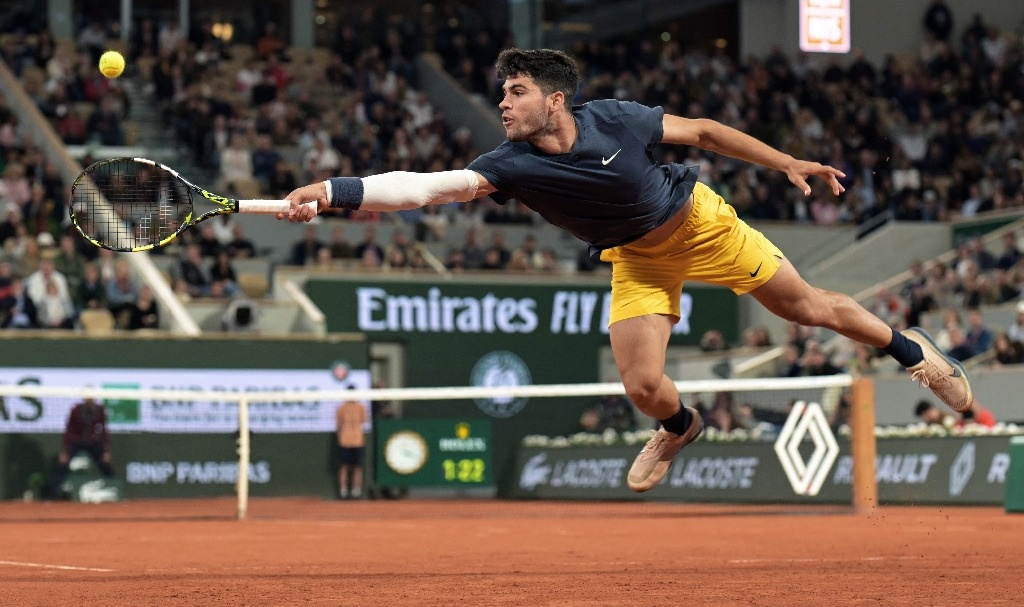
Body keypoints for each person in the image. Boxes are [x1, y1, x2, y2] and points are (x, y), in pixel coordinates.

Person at [281, 48, 973, 493]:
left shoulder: (614, 118)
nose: (503, 102)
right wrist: (336, 191)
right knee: (643, 385)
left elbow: (701, 131)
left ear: (554, 100)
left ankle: (913, 351)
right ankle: (680, 426)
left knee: (811, 310)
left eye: (515, 91)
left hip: (701, 225)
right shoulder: (508, 163)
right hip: (638, 260)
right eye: (502, 92)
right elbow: (426, 187)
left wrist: (785, 161)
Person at [48, 396, 115, 499]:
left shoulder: (99, 410)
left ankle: (115, 489)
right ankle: (51, 495)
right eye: (87, 397)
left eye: (92, 397)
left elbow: (104, 431)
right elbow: (69, 430)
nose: (90, 399)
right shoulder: (76, 410)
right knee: (63, 465)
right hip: (77, 441)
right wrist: (65, 451)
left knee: (104, 464)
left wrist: (105, 450)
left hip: (93, 442)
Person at [335, 391, 367, 499]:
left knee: (357, 467)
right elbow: (338, 423)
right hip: (345, 441)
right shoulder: (342, 407)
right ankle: (343, 490)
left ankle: (356, 490)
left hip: (358, 441)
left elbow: (363, 420)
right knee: (344, 466)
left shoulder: (360, 406)